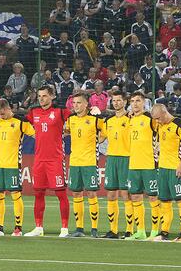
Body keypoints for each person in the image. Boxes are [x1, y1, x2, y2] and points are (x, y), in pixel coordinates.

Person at [24, 85, 71, 237]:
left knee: (61, 194)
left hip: (55, 160)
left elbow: (77, 116)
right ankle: (38, 227)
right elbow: (20, 122)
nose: (41, 99)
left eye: (44, 96)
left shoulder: (61, 112)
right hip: (39, 160)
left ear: (52, 96)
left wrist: (93, 111)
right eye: (39, 96)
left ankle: (64, 228)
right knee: (38, 193)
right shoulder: (33, 112)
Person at [0, 99, 35, 236]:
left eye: (3, 113)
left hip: (13, 164)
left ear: (8, 108)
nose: (1, 116)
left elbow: (36, 135)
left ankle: (18, 228)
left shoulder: (20, 122)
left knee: (16, 195)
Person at [149, 104, 181, 242]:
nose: (157, 121)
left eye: (158, 118)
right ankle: (164, 233)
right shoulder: (160, 125)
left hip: (176, 169)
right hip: (162, 169)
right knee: (165, 202)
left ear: (164, 112)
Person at [66, 92, 106, 238]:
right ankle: (79, 228)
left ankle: (94, 229)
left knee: (91, 193)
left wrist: (99, 140)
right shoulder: (71, 120)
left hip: (89, 162)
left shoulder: (95, 120)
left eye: (78, 103)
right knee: (76, 193)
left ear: (86, 105)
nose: (75, 105)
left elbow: (105, 132)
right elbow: (64, 131)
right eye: (74, 103)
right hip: (75, 162)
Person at [127, 92, 161, 240]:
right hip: (133, 164)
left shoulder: (150, 119)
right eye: (133, 101)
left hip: (149, 165)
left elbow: (161, 129)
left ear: (144, 103)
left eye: (138, 101)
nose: (135, 103)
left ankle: (154, 231)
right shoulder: (129, 120)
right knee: (135, 197)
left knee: (153, 198)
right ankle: (140, 231)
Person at [102, 91, 132, 239]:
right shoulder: (108, 121)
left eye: (119, 100)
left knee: (126, 194)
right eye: (114, 101)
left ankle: (129, 229)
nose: (116, 103)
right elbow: (100, 138)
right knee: (111, 194)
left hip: (126, 158)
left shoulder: (131, 118)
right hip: (112, 159)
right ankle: (113, 230)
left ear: (125, 102)